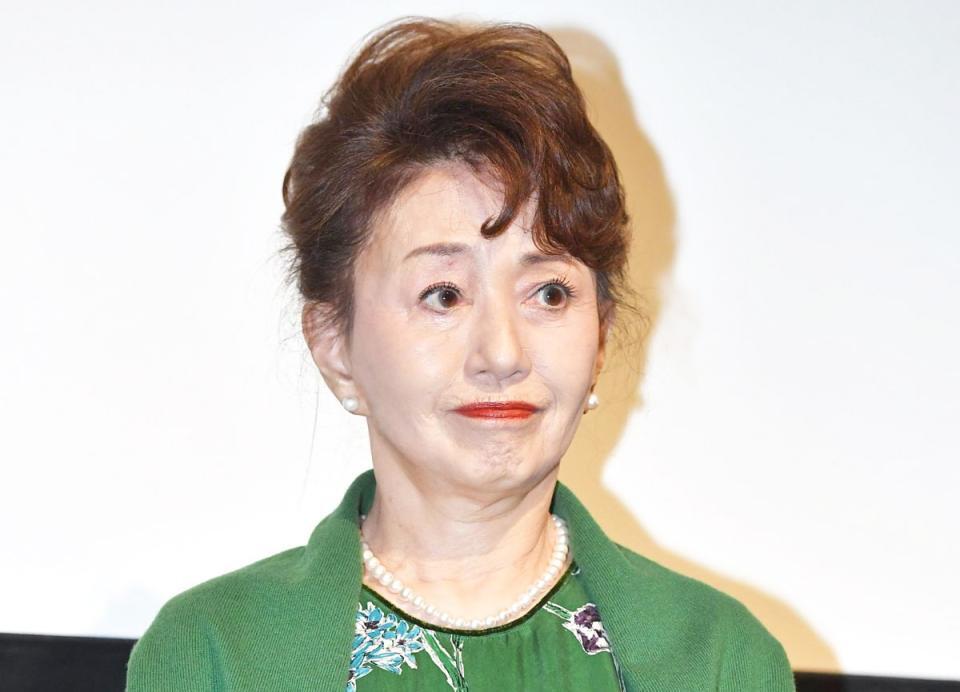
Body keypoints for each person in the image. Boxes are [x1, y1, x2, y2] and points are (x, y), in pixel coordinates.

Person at [126, 17, 794, 692]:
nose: (502, 354)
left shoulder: (721, 660)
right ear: (333, 344)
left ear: (599, 340)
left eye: (550, 294)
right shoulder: (214, 654)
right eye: (443, 294)